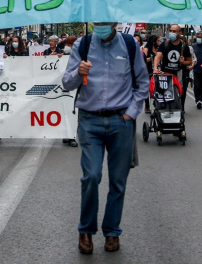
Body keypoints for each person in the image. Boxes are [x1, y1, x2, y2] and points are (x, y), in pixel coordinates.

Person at [62, 23, 148, 255]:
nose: (100, 26)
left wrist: (131, 113)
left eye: (104, 22)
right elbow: (67, 83)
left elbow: (142, 83)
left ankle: (112, 232)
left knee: (118, 181)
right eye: (96, 22)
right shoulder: (83, 45)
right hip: (90, 120)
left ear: (114, 23)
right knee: (91, 176)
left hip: (121, 121)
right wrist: (78, 73)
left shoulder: (130, 45)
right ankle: (86, 231)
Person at [152, 25, 191, 108]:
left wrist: (183, 62)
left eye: (174, 31)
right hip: (166, 74)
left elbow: (189, 61)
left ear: (180, 33)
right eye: (171, 31)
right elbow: (158, 56)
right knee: (164, 93)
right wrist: (155, 68)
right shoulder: (164, 44)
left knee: (181, 93)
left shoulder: (184, 46)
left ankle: (180, 108)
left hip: (179, 74)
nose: (172, 33)